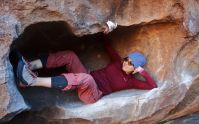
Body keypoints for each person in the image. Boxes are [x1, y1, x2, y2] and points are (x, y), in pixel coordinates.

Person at [11, 21, 157, 104]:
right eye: (127, 59)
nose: (126, 63)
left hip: (93, 94)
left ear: (135, 68)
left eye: (131, 63)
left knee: (86, 79)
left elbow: (152, 86)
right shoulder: (118, 62)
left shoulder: (131, 82)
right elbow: (108, 46)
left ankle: (31, 80)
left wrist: (142, 72)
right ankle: (28, 67)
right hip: (86, 76)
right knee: (70, 55)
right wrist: (106, 32)